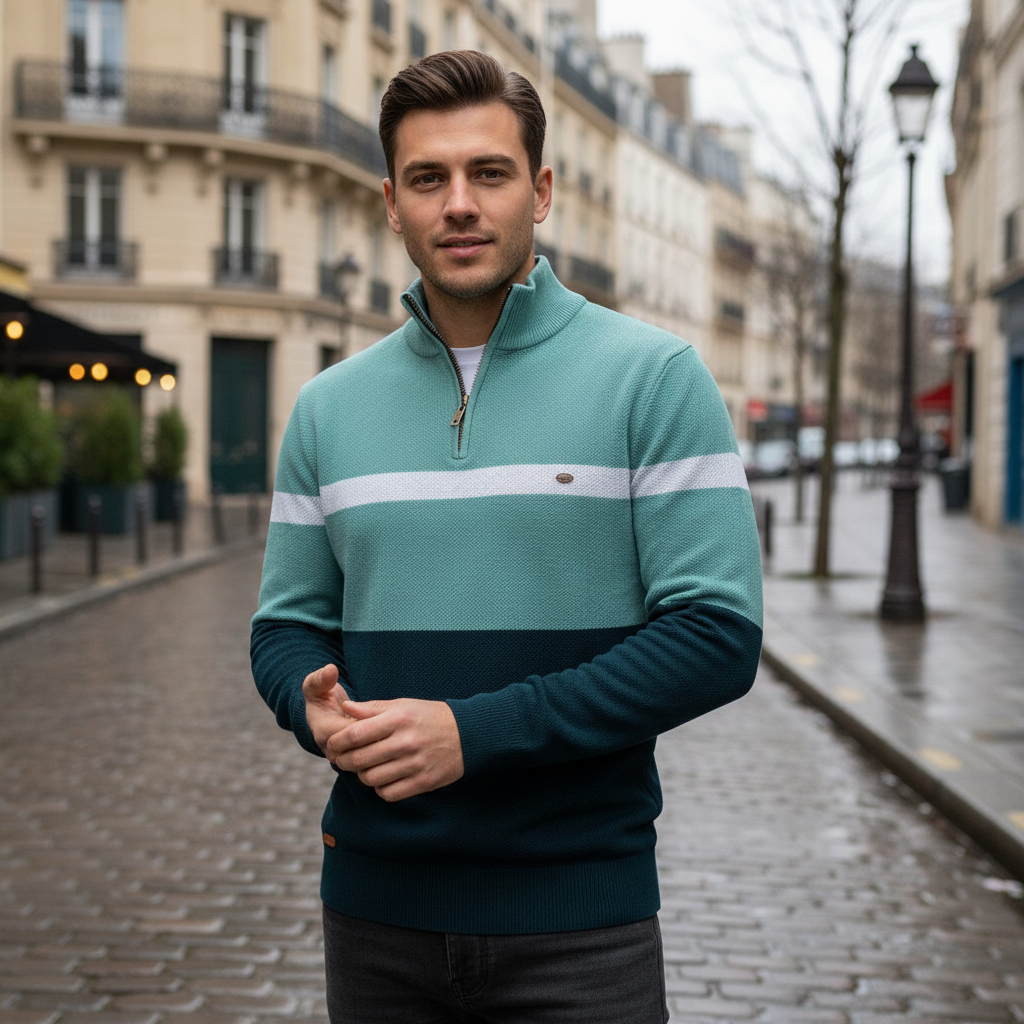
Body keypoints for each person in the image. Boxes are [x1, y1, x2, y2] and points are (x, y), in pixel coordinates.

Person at [251, 49, 762, 1024]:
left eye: (487, 173)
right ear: (389, 203)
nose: (458, 203)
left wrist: (471, 735)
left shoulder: (653, 378)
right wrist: (307, 705)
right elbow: (284, 628)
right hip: (374, 916)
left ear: (542, 190)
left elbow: (715, 635)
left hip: (580, 928)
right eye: (427, 178)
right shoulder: (325, 407)